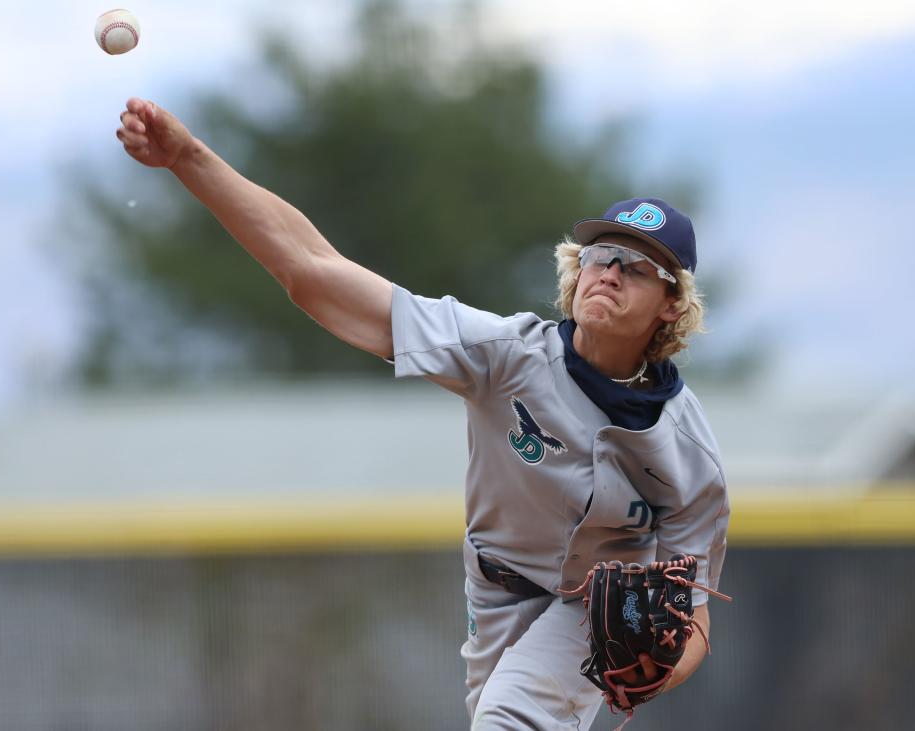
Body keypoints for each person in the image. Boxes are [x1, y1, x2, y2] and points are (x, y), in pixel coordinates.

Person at [116, 98, 730, 730]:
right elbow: (313, 274)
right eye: (600, 255)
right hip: (495, 588)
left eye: (638, 266)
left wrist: (654, 670)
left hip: (595, 604)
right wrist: (189, 159)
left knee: (508, 722)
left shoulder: (687, 452)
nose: (610, 273)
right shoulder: (505, 355)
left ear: (670, 306)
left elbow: (696, 621)